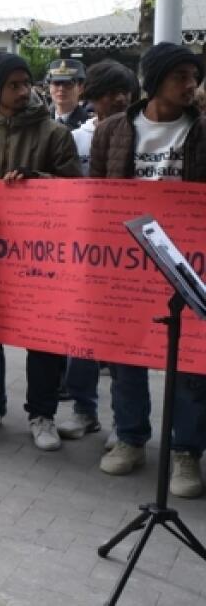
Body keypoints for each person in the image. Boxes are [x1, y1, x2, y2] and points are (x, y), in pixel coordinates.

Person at [88, 43, 206, 497]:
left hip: (189, 259)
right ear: (154, 81)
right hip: (128, 261)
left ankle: (186, 451)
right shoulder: (112, 131)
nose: (190, 85)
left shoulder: (202, 130)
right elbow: (98, 194)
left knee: (192, 358)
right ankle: (131, 437)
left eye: (194, 76)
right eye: (180, 76)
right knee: (125, 353)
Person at [0, 51, 81, 450]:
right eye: (14, 85)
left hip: (38, 258)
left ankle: (41, 414)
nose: (23, 91)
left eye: (26, 83)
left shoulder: (54, 134)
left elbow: (74, 191)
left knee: (41, 336)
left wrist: (38, 181)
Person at [54, 61, 140, 443]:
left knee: (126, 344)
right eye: (108, 92)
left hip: (130, 255)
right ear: (92, 97)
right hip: (86, 251)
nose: (118, 98)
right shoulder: (77, 138)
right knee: (82, 338)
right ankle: (84, 410)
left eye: (124, 91)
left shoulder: (143, 134)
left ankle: (125, 424)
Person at [46, 59, 90, 129]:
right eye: (56, 83)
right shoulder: (40, 122)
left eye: (68, 83)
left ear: (81, 88)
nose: (61, 88)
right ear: (50, 87)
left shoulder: (89, 125)